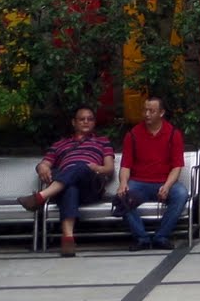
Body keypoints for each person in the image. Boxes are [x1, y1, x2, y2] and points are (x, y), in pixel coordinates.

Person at [18, 105, 115, 256]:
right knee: (70, 187)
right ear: (74, 122)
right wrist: (41, 167)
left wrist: (96, 167)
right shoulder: (60, 144)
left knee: (81, 167)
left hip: (91, 186)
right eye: (81, 119)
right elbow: (44, 163)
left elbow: (109, 168)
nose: (86, 122)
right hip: (67, 186)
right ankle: (68, 240)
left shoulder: (103, 142)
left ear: (94, 123)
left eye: (90, 119)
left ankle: (40, 197)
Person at [115, 94, 187, 251]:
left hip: (163, 181)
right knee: (122, 196)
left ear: (161, 113)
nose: (147, 114)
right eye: (145, 110)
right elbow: (125, 165)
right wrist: (123, 183)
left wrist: (167, 186)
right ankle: (142, 238)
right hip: (139, 182)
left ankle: (161, 236)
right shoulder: (133, 134)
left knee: (181, 193)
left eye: (151, 111)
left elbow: (176, 166)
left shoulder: (173, 134)